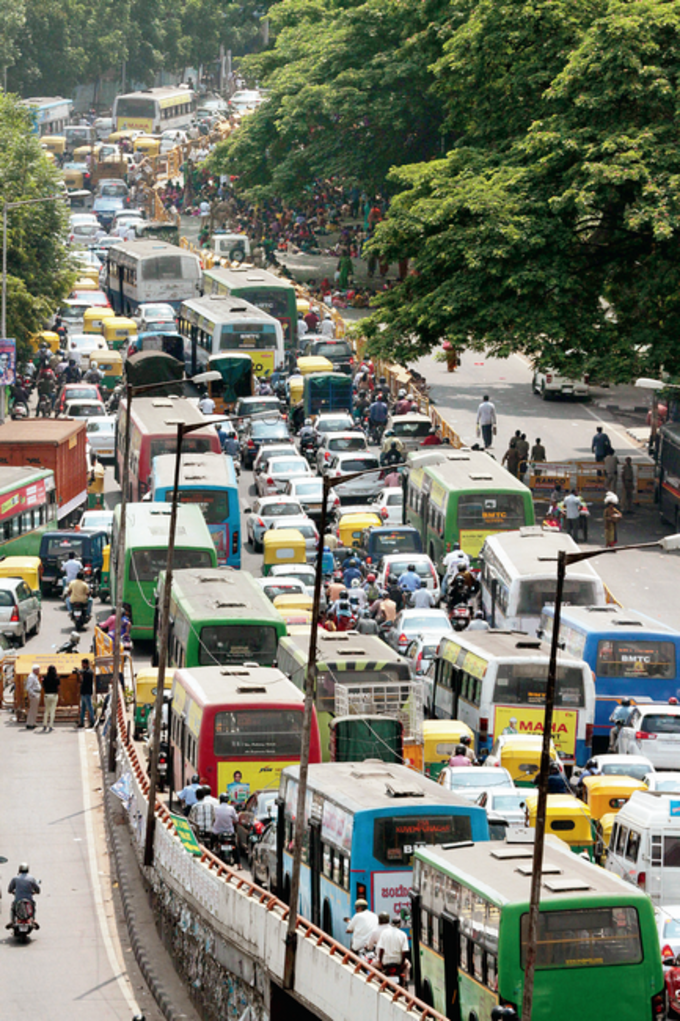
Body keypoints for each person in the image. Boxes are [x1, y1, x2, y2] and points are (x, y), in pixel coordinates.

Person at [376, 917, 409, 985]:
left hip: (385, 962)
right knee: (408, 965)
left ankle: (376, 983)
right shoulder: (403, 934)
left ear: (391, 923)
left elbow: (381, 949)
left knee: (372, 965)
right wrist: (402, 964)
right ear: (399, 924)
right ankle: (405, 982)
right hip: (398, 962)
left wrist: (380, 961)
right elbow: (404, 952)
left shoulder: (384, 933)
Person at [6, 864, 40, 929]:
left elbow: (9, 889)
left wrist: (13, 892)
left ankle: (12, 921)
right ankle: (34, 919)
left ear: (19, 870)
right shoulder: (31, 878)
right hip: (29, 901)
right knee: (33, 908)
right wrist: (35, 892)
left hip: (18, 900)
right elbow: (37, 889)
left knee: (13, 909)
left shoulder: (15, 878)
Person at [212, 793, 241, 866]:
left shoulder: (216, 808)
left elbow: (213, 818)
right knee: (235, 847)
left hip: (217, 832)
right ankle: (239, 864)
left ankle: (211, 859)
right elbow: (236, 819)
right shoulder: (231, 809)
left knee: (212, 844)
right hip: (229, 832)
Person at [77, 658, 95, 728]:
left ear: (86, 664)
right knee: (83, 709)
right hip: (84, 692)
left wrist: (80, 672)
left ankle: (92, 721)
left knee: (89, 708)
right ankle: (81, 722)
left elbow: (85, 673)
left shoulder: (89, 672)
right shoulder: (85, 671)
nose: (82, 665)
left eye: (83, 664)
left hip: (87, 693)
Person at [42, 664, 60, 732]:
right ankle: (51, 725)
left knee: (46, 711)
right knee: (52, 711)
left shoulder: (45, 677)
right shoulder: (57, 678)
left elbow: (43, 685)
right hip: (54, 695)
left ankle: (44, 725)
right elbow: (58, 688)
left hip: (47, 695)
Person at [25, 663, 42, 730]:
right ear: (35, 670)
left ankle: (33, 722)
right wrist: (33, 694)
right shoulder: (31, 677)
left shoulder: (34, 676)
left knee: (34, 710)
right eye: (38, 670)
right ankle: (30, 723)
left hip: (36, 693)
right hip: (34, 694)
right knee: (32, 709)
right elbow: (28, 687)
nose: (39, 671)